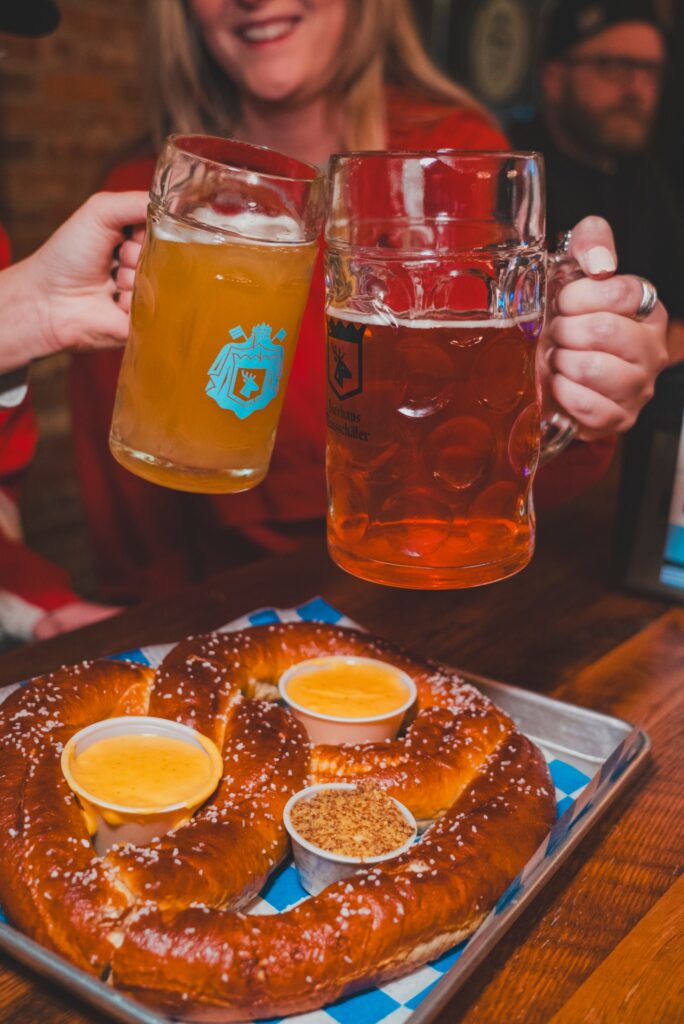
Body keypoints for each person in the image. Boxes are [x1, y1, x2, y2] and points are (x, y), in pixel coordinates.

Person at [11, 0, 669, 628]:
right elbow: (137, 516)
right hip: (218, 619)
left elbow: (507, 474)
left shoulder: (457, 157)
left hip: (433, 605)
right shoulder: (147, 194)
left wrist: (587, 379)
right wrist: (157, 634)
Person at [512, 0, 684, 365]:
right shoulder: (512, 172)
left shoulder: (652, 181)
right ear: (554, 78)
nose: (637, 89)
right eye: (614, 67)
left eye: (650, 71)